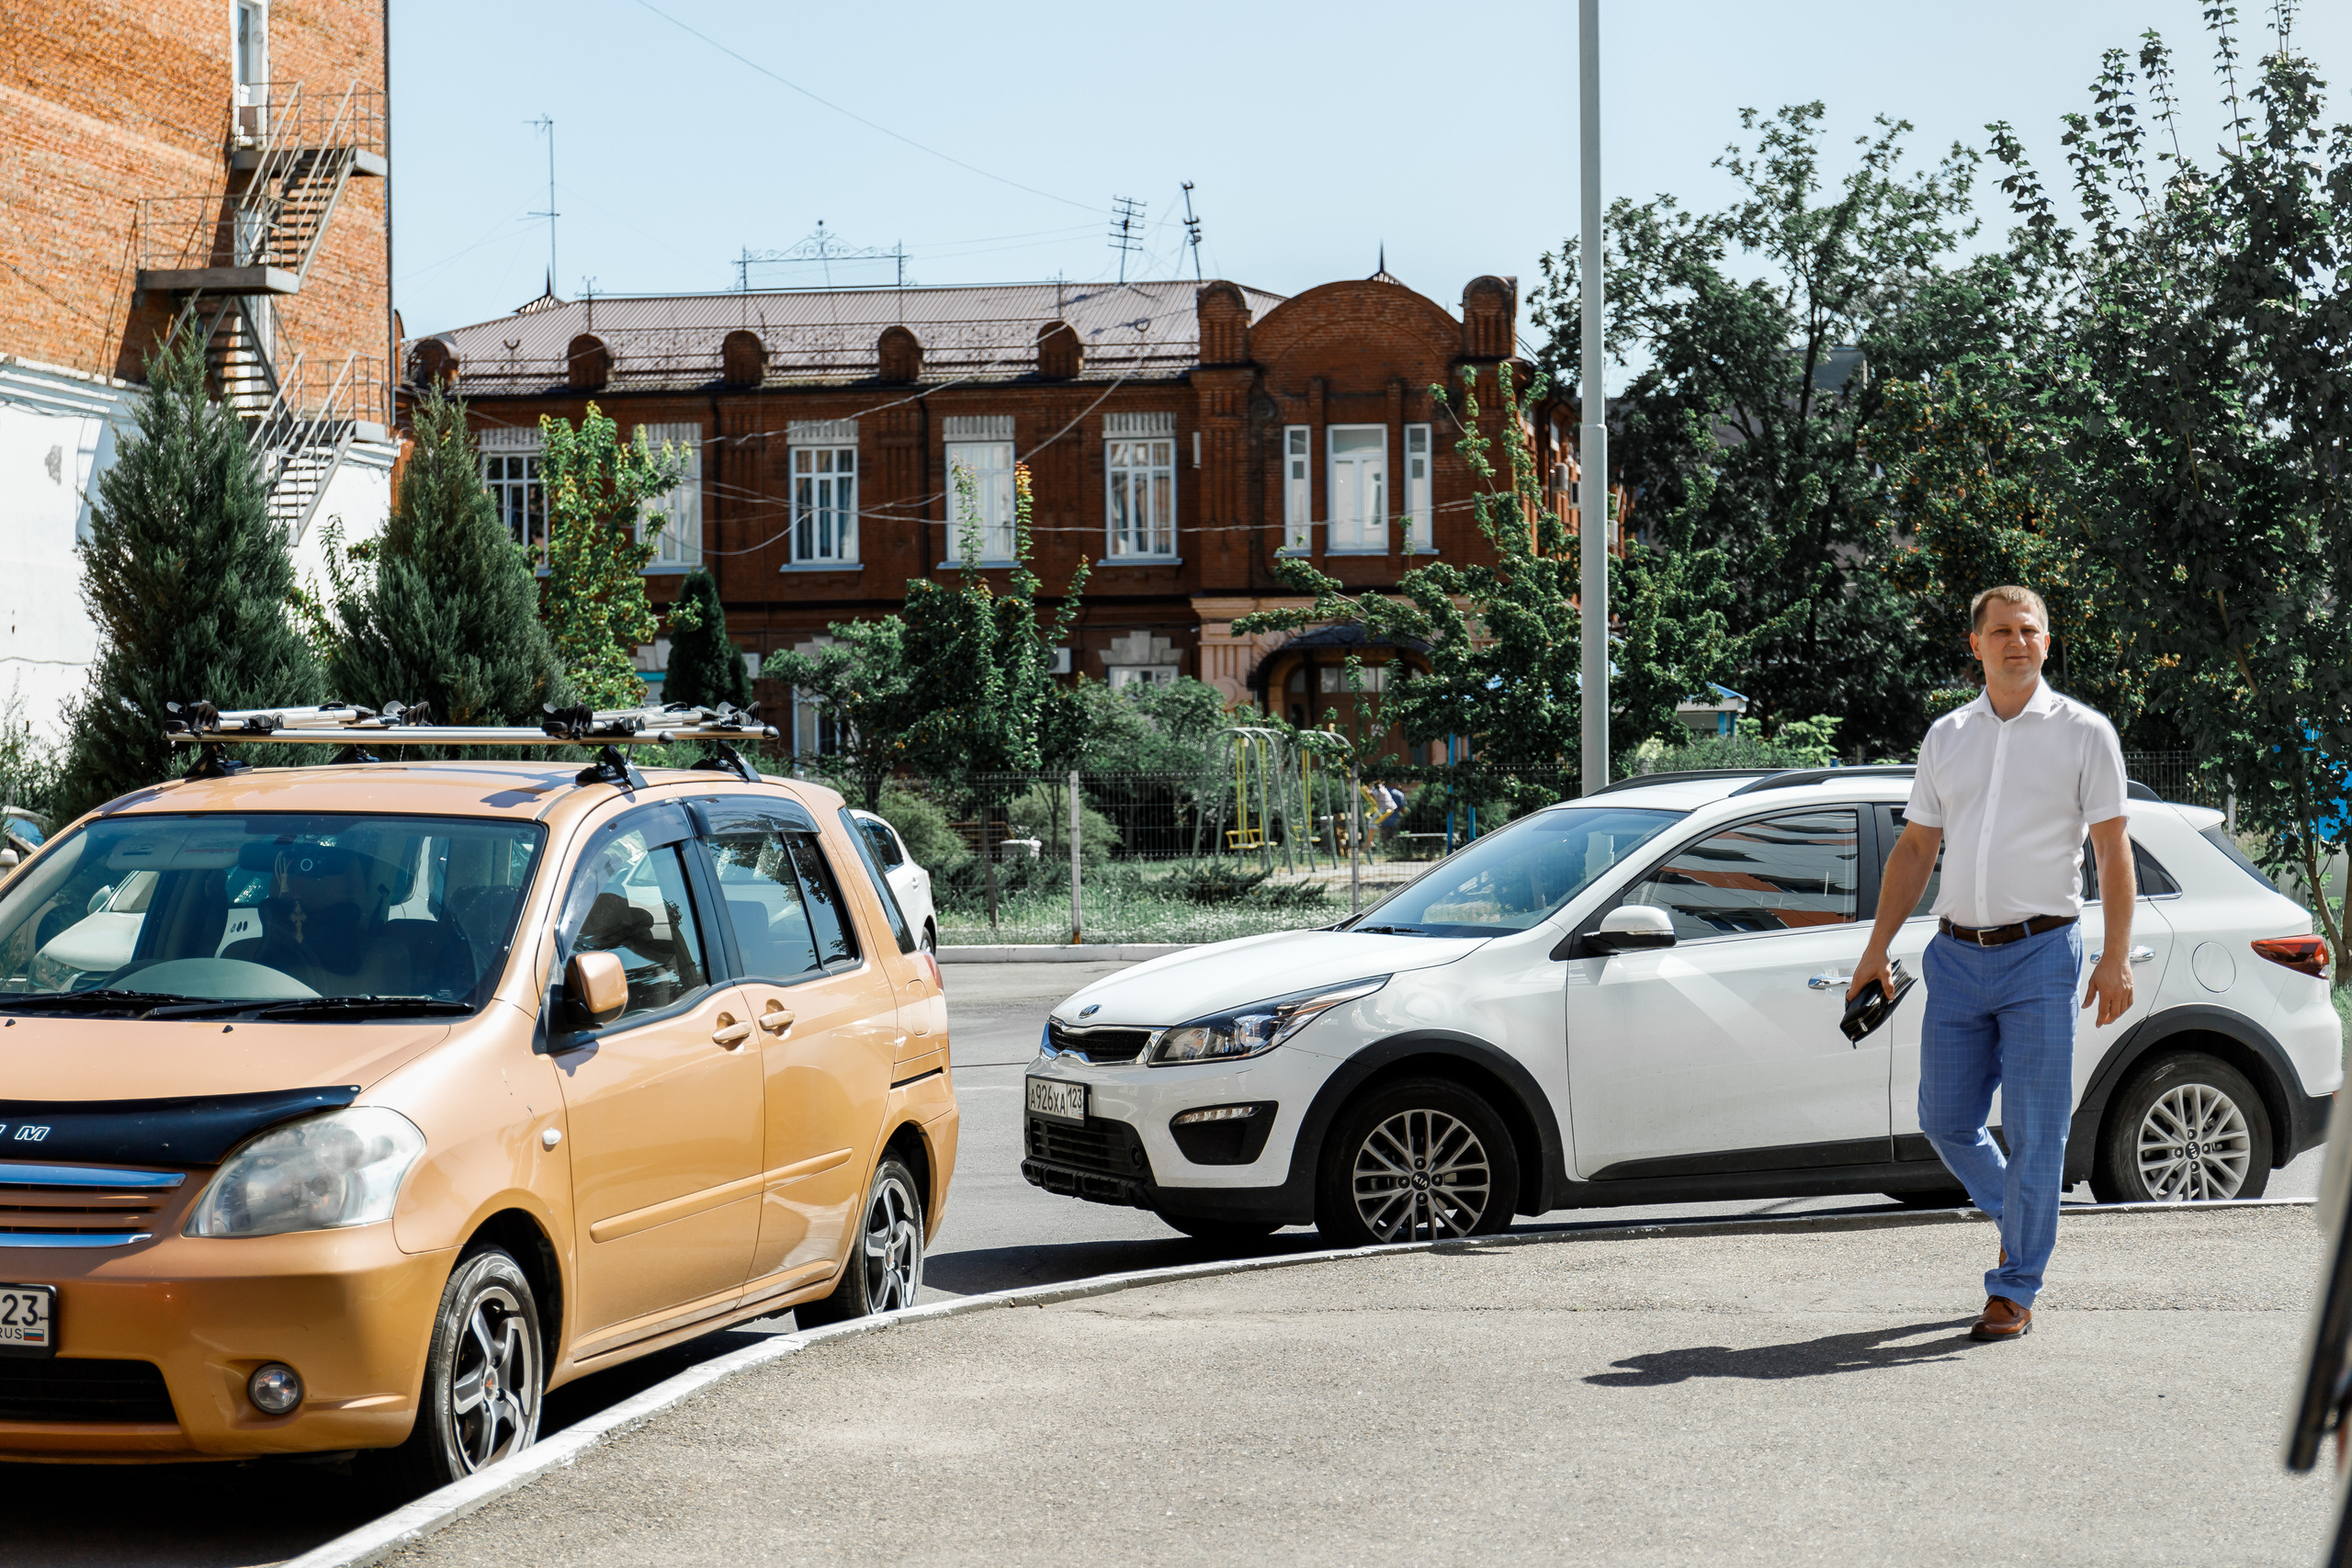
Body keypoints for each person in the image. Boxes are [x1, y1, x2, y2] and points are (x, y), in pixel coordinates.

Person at [1849, 586, 2135, 1342]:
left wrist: (2114, 956)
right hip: (1955, 955)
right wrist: (1875, 949)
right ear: (1975, 644)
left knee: (2038, 1130)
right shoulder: (1947, 735)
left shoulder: (2085, 733)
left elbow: (2113, 849)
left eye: (2029, 630)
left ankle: (2015, 1286)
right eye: (2002, 630)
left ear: (2047, 642)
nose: (2017, 641)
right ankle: (2022, 1218)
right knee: (1945, 1119)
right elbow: (1916, 847)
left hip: (2043, 952)